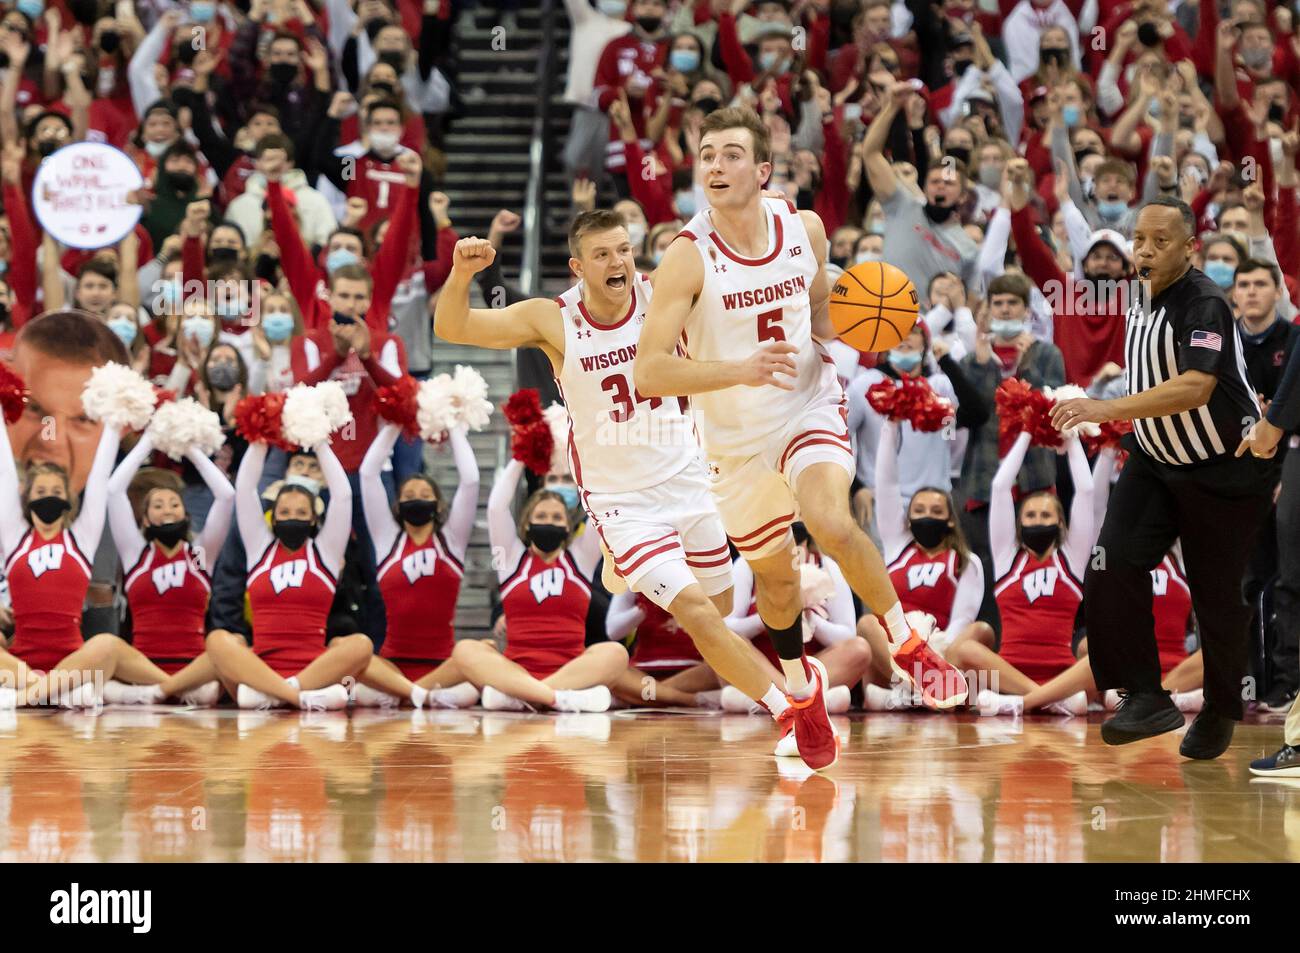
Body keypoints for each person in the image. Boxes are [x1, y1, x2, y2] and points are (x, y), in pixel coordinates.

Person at [636, 106, 967, 768]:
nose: (715, 165)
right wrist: (739, 368)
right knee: (777, 582)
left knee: (831, 521)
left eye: (731, 154)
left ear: (761, 170)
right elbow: (649, 369)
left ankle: (906, 642)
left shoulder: (805, 227)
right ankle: (799, 688)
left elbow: (818, 311)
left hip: (805, 404)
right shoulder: (685, 256)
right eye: (706, 154)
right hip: (731, 441)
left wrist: (866, 322)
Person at [437, 211, 818, 761]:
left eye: (623, 249)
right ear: (577, 267)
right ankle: (790, 710)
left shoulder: (664, 293)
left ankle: (625, 567)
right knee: (699, 613)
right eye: (603, 255)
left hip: (690, 479)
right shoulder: (553, 318)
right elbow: (452, 328)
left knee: (723, 602)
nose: (618, 262)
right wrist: (460, 274)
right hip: (622, 501)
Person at [1051, 196, 1277, 760]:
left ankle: (1224, 709)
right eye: (1140, 240)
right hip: (1154, 460)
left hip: (1223, 469)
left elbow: (1197, 387)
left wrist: (1105, 410)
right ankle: (1146, 695)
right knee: (1109, 565)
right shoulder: (1136, 295)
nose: (1146, 251)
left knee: (1217, 599)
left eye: (1160, 242)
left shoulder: (1203, 302)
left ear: (1189, 247)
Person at [203, 436, 372, 711]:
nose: (292, 517)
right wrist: (258, 438)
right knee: (218, 640)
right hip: (260, 667)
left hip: (315, 669)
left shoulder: (325, 552)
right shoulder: (259, 548)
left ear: (314, 519)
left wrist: (319, 440)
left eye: (301, 512)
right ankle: (297, 698)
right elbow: (245, 490)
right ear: (273, 516)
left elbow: (342, 496)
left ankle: (279, 694)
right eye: (284, 511)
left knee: (360, 645)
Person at [449, 456, 628, 712]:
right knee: (466, 649)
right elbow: (496, 508)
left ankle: (523, 698)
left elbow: (606, 502)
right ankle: (557, 699)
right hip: (515, 669)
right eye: (541, 516)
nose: (548, 522)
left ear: (568, 526)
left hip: (571, 669)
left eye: (557, 518)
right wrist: (521, 456)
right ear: (527, 524)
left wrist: (588, 452)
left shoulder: (581, 557)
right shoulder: (510, 560)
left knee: (615, 654)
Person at [950, 429, 1097, 716]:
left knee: (1103, 656)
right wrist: (1027, 432)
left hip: (1062, 673)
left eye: (1046, 516)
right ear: (1018, 523)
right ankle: (1050, 701)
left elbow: (1087, 491)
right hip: (1010, 675)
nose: (1038, 521)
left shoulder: (1072, 560)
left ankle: (1027, 703)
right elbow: (1000, 488)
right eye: (1030, 516)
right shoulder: (1007, 558)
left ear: (1060, 523)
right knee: (966, 649)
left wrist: (1071, 438)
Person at [352, 421, 482, 708]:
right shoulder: (387, 540)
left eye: (425, 496)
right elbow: (368, 474)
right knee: (352, 652)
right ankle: (422, 696)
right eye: (409, 497)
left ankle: (406, 695)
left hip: (444, 668)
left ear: (438, 506)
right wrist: (396, 422)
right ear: (397, 506)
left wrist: (454, 423)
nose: (417, 501)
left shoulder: (451, 541)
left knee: (482, 651)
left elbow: (470, 480)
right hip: (391, 666)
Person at [99, 431, 234, 705]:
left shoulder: (199, 555)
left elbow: (226, 496)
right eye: (157, 506)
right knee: (106, 648)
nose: (167, 510)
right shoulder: (136, 554)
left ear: (186, 514)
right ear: (146, 519)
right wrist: (151, 438)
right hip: (141, 665)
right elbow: (113, 490)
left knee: (230, 647)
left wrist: (191, 446)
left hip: (194, 666)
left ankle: (158, 692)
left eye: (174, 504)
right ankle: (175, 691)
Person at [858, 418, 988, 703]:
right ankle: (920, 692)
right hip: (895, 653)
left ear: (950, 520)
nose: (926, 515)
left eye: (935, 510)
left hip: (940, 649)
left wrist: (931, 648)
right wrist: (890, 426)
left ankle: (914, 694)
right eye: (918, 509)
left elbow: (961, 620)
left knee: (979, 631)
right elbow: (886, 483)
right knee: (868, 623)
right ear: (908, 517)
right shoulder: (897, 546)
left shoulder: (965, 561)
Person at [0, 404, 120, 709]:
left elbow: (100, 476)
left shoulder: (81, 537)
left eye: (56, 490)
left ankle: (24, 697)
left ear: (68, 497)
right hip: (22, 662)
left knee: (106, 644)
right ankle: (52, 691)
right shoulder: (15, 537)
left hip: (73, 659)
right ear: (26, 499)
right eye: (40, 491)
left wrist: (116, 418)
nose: (49, 496)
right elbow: (4, 472)